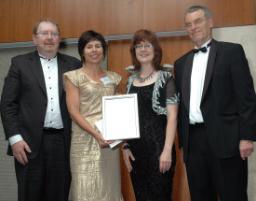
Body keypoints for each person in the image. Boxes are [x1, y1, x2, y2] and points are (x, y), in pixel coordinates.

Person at [174, 5, 256, 201]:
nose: (193, 27)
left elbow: (246, 97)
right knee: (200, 196)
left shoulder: (232, 52)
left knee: (233, 195)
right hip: (193, 143)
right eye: (188, 24)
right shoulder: (180, 63)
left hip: (227, 139)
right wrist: (183, 143)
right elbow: (181, 107)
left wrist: (247, 137)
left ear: (210, 22)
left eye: (198, 21)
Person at [0, 20, 81, 201]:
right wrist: (15, 139)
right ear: (35, 39)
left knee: (59, 194)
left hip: (64, 143)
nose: (49, 38)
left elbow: (86, 102)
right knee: (30, 195)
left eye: (54, 34)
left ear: (59, 39)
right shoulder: (19, 63)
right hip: (27, 144)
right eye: (44, 33)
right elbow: (7, 104)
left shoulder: (74, 64)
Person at [63, 30, 123, 201]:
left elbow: (119, 109)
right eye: (89, 46)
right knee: (83, 189)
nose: (94, 50)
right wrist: (96, 134)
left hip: (110, 141)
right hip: (84, 141)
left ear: (104, 50)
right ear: (82, 51)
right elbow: (73, 112)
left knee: (109, 188)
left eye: (98, 46)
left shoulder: (114, 77)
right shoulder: (73, 77)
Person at [122, 29, 179, 201]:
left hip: (159, 151)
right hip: (136, 153)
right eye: (139, 46)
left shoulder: (166, 78)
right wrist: (125, 147)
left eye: (147, 45)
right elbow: (126, 119)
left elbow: (172, 117)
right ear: (134, 52)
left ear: (155, 50)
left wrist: (167, 151)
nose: (143, 49)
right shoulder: (130, 81)